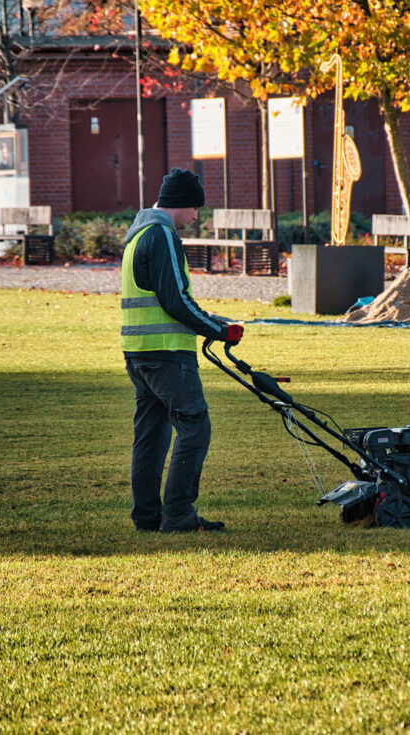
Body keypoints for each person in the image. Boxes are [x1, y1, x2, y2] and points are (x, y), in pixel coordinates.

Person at [121, 168, 243, 533]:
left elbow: (164, 298)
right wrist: (218, 332)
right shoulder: (162, 235)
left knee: (151, 436)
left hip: (139, 353)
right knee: (195, 429)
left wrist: (213, 321)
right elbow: (175, 301)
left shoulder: (138, 233)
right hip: (168, 355)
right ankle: (178, 515)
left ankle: (147, 516)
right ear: (182, 204)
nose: (197, 217)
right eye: (196, 209)